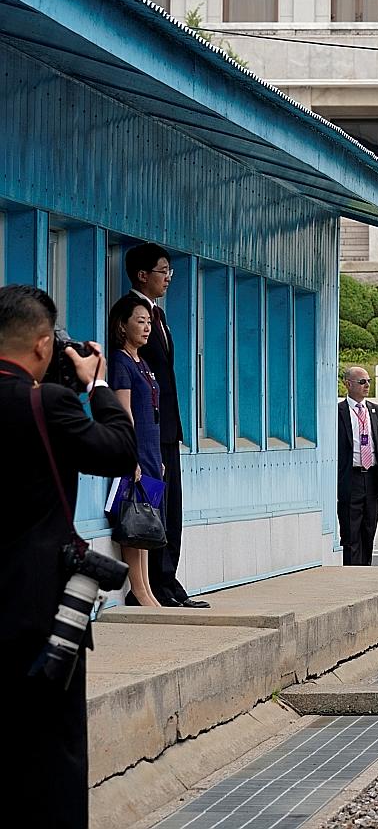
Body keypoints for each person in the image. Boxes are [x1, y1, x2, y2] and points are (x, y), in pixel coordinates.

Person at [0, 285, 137, 829]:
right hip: (42, 615)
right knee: (52, 750)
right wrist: (97, 383)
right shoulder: (48, 404)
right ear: (41, 344)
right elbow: (119, 451)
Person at [124, 243, 207, 608]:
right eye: (163, 270)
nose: (169, 277)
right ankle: (151, 584)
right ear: (143, 275)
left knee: (171, 508)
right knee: (152, 508)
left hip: (168, 428)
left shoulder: (159, 316)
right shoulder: (131, 314)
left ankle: (168, 580)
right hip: (149, 432)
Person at [106, 296, 164, 608]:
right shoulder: (120, 362)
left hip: (152, 451)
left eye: (148, 322)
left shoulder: (144, 363)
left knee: (146, 521)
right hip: (136, 451)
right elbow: (123, 412)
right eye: (139, 321)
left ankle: (147, 588)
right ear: (122, 325)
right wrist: (132, 455)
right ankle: (139, 590)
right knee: (133, 518)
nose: (145, 327)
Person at [338, 367, 378, 566]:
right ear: (348, 384)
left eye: (369, 381)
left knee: (368, 531)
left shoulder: (377, 411)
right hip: (351, 479)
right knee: (350, 534)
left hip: (372, 478)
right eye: (362, 382)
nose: (367, 385)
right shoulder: (338, 413)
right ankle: (351, 575)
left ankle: (365, 572)